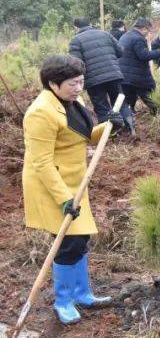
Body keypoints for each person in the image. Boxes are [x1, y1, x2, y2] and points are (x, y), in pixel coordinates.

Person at [23, 55, 124, 324]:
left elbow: (84, 135)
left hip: (75, 180)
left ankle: (82, 294)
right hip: (51, 185)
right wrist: (64, 198)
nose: (79, 88)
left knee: (80, 239)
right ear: (53, 84)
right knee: (68, 243)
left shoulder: (72, 101)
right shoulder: (40, 113)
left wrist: (109, 126)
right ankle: (64, 300)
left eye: (81, 82)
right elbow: (41, 162)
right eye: (72, 83)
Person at [68, 17, 128, 128]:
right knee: (120, 102)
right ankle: (130, 128)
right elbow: (120, 51)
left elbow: (76, 64)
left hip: (93, 80)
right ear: (90, 24)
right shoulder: (105, 34)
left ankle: (110, 133)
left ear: (75, 28)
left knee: (102, 106)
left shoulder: (75, 40)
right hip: (113, 74)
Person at [118, 18, 160, 122]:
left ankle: (128, 120)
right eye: (148, 31)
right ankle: (159, 115)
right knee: (150, 94)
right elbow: (144, 55)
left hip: (124, 75)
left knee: (129, 99)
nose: (148, 34)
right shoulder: (138, 38)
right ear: (143, 28)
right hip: (137, 76)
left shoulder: (125, 36)